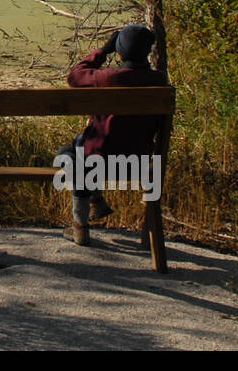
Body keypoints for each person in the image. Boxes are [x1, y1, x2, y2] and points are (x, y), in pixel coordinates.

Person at [56, 23, 166, 245]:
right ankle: (96, 202)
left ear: (120, 50)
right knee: (81, 150)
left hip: (99, 162)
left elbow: (74, 77)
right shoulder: (159, 81)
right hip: (139, 163)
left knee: (69, 156)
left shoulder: (106, 78)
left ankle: (81, 226)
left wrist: (103, 51)